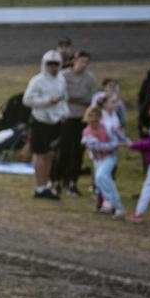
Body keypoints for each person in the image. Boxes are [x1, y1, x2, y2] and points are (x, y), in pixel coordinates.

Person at [22, 49, 68, 199]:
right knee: (40, 154)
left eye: (56, 64)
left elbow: (64, 98)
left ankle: (46, 183)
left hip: (56, 121)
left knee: (50, 154)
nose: (53, 67)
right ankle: (39, 186)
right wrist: (47, 101)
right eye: (50, 64)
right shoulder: (37, 80)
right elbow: (27, 100)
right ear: (44, 64)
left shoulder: (61, 79)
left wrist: (64, 113)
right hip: (41, 121)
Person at [57, 51, 97, 196]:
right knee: (64, 150)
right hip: (67, 118)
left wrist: (72, 98)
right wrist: (78, 98)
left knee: (78, 151)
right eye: (81, 61)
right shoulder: (64, 75)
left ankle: (73, 181)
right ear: (75, 60)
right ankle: (59, 180)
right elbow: (61, 95)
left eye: (87, 62)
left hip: (82, 119)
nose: (84, 64)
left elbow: (91, 99)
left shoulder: (90, 78)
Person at [81, 101, 129, 218]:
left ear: (100, 117)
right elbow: (96, 146)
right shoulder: (86, 132)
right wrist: (115, 145)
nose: (93, 119)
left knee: (101, 176)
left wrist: (127, 143)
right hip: (98, 159)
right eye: (91, 116)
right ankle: (114, 205)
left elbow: (118, 136)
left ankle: (112, 203)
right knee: (102, 181)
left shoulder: (106, 127)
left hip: (110, 157)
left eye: (96, 116)